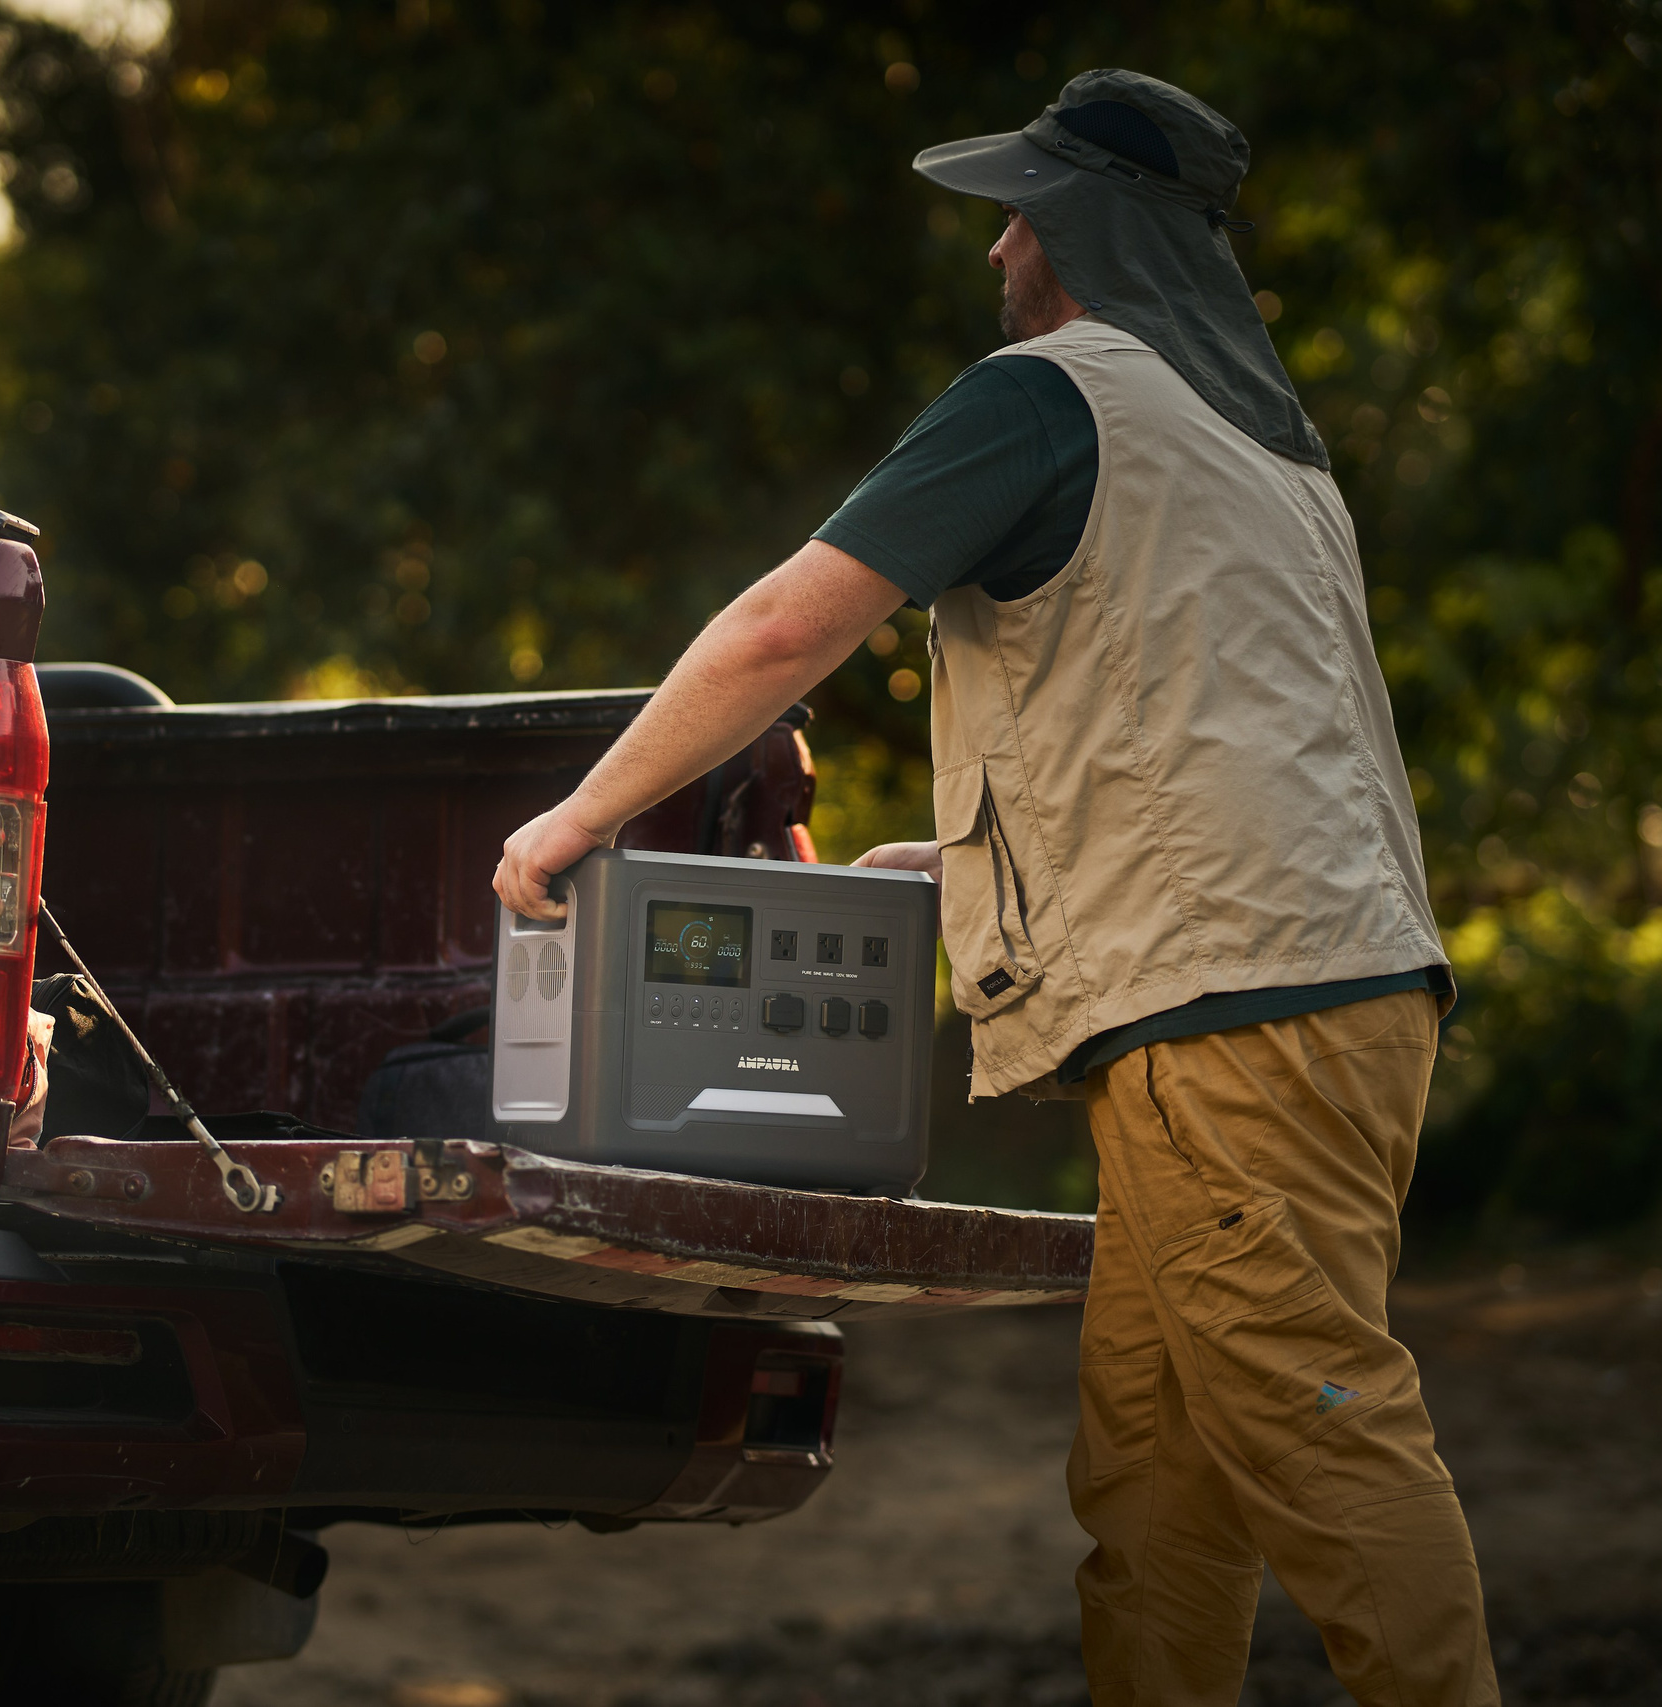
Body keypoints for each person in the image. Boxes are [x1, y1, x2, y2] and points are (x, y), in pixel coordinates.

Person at [492, 67, 1496, 1707]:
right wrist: (968, 861)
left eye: (1021, 211)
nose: (997, 248)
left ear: (1084, 227)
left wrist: (580, 820)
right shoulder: (1269, 446)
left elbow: (785, 630)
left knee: (1319, 1425)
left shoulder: (1051, 398)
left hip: (1226, 1023)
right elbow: (1197, 734)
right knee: (1160, 1475)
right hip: (1331, 998)